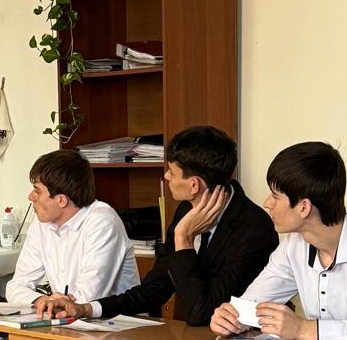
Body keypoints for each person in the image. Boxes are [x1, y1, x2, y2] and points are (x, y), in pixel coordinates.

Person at [38, 125, 277, 326]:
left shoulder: (253, 230)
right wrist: (86, 309)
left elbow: (201, 313)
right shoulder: (186, 209)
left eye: (172, 171)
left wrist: (183, 238)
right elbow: (154, 289)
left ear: (194, 185)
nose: (166, 177)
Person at [211, 141, 347, 340]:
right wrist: (230, 318)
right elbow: (253, 305)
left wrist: (304, 329)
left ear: (304, 207)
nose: (267, 203)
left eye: (275, 196)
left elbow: (304, 330)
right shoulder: (293, 245)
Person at [5, 150, 139, 311]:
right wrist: (41, 300)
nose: (31, 197)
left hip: (116, 322)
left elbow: (87, 298)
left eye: (37, 191)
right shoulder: (42, 222)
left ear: (61, 200)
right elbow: (16, 286)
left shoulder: (102, 222)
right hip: (68, 320)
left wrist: (57, 303)